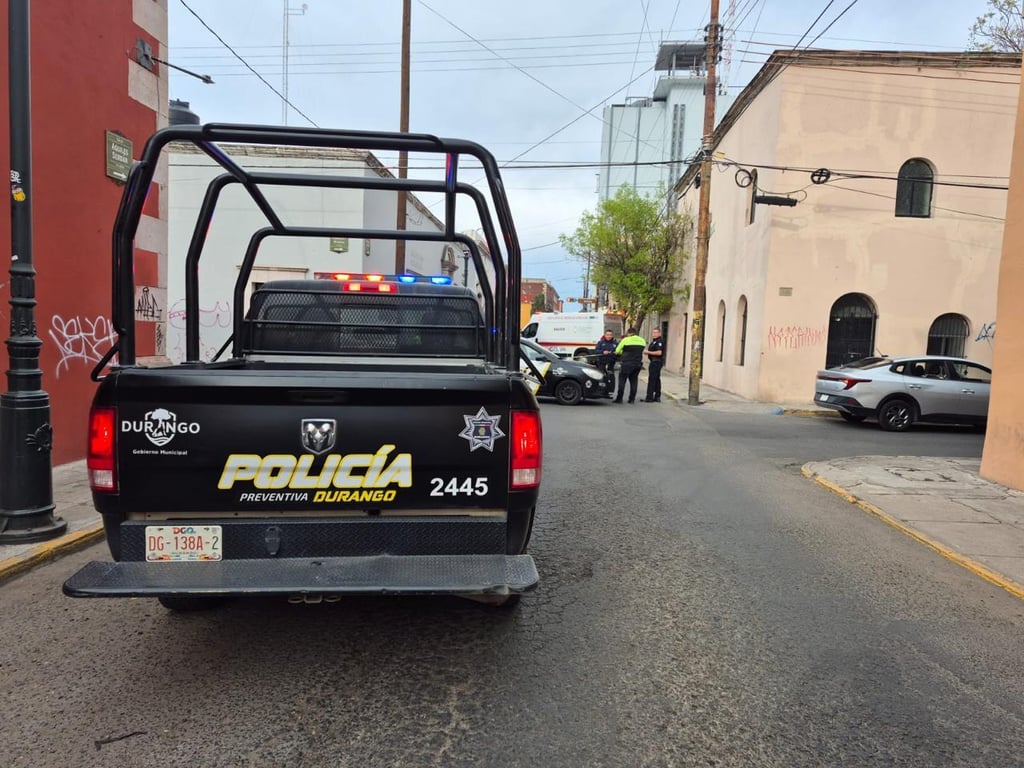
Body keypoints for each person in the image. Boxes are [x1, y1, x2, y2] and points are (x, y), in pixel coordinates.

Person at [613, 327, 646, 403]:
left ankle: (619, 398)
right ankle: (631, 399)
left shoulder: (625, 340)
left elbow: (617, 351)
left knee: (622, 381)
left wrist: (622, 353)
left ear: (628, 333)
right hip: (637, 363)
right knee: (634, 381)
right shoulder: (642, 340)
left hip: (627, 363)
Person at [594, 329, 618, 398]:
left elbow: (619, 352)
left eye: (610, 335)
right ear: (605, 335)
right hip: (601, 363)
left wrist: (616, 353)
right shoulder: (600, 342)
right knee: (601, 377)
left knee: (611, 378)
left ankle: (609, 392)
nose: (609, 336)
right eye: (607, 335)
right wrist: (602, 352)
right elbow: (596, 351)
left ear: (612, 335)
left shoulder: (615, 343)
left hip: (611, 364)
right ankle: (600, 392)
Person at [643, 327, 665, 402]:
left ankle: (649, 397)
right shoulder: (654, 341)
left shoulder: (659, 341)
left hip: (656, 362)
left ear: (659, 333)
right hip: (653, 361)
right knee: (656, 379)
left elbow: (659, 353)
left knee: (652, 379)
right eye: (653, 333)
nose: (654, 334)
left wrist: (648, 352)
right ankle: (657, 396)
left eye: (656, 333)